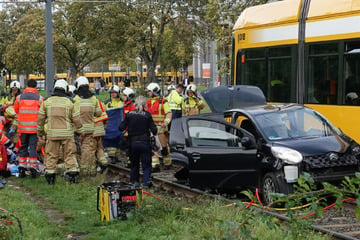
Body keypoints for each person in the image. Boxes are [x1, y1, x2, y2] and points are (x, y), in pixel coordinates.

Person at [37, 79, 83, 184]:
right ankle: (72, 175)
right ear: (65, 89)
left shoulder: (46, 101)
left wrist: (40, 132)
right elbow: (76, 119)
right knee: (69, 154)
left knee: (51, 155)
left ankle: (50, 177)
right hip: (67, 134)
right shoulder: (70, 102)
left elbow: (40, 119)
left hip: (52, 134)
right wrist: (80, 131)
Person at [119, 95, 157, 187]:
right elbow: (154, 130)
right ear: (145, 105)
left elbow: (121, 128)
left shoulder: (129, 114)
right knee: (146, 165)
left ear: (135, 104)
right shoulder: (147, 115)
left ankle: (134, 182)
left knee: (134, 165)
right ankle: (146, 183)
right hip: (144, 143)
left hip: (133, 143)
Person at [14, 79, 43, 178]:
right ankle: (33, 167)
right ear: (35, 87)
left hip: (22, 128)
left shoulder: (19, 98)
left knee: (23, 147)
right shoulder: (40, 98)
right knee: (33, 148)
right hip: (34, 128)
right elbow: (42, 113)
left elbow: (16, 110)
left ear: (26, 86)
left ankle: (22, 166)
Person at [74, 76, 102, 176]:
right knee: (89, 151)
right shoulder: (94, 99)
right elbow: (98, 113)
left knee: (77, 151)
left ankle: (80, 170)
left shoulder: (76, 99)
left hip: (78, 130)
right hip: (90, 129)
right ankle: (90, 171)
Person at [146, 82, 172, 172]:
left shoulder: (163, 101)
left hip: (161, 128)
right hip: (151, 128)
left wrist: (166, 122)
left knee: (164, 148)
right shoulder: (148, 102)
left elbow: (168, 113)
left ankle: (167, 163)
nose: (148, 93)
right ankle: (155, 166)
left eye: (149, 91)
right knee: (153, 147)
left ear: (154, 91)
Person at [104, 85, 124, 164]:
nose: (112, 94)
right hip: (110, 126)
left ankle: (117, 156)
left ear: (118, 93)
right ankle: (112, 156)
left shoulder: (122, 102)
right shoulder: (107, 103)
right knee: (111, 141)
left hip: (120, 125)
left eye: (114, 93)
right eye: (111, 93)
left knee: (119, 141)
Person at [121, 87, 136, 167]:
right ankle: (130, 161)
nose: (123, 97)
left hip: (131, 130)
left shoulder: (132, 106)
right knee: (127, 146)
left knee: (130, 146)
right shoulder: (126, 105)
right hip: (126, 129)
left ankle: (132, 161)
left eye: (124, 95)